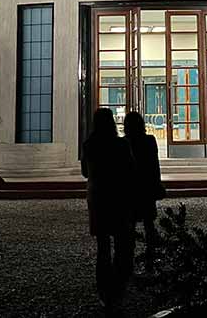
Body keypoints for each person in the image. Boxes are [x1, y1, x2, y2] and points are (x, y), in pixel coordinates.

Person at [81, 108, 135, 314]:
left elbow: (85, 172)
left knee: (103, 245)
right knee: (121, 241)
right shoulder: (121, 144)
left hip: (98, 198)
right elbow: (131, 169)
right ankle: (119, 285)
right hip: (118, 197)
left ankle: (104, 289)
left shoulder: (89, 145)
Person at [123, 111, 164, 274]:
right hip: (146, 187)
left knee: (130, 224)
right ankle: (151, 257)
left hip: (131, 189)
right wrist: (157, 184)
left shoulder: (124, 143)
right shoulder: (149, 140)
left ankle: (128, 260)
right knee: (149, 223)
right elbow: (154, 165)